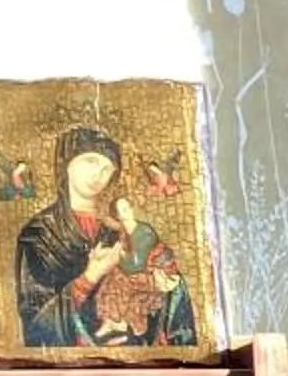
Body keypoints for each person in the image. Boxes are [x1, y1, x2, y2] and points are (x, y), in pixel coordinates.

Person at [13, 127, 197, 351]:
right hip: (70, 363)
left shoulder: (117, 232)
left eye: (107, 168)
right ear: (66, 164)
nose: (98, 175)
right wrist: (90, 277)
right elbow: (35, 326)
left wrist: (163, 277)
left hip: (130, 348)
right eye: (90, 161)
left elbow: (161, 290)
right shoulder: (39, 235)